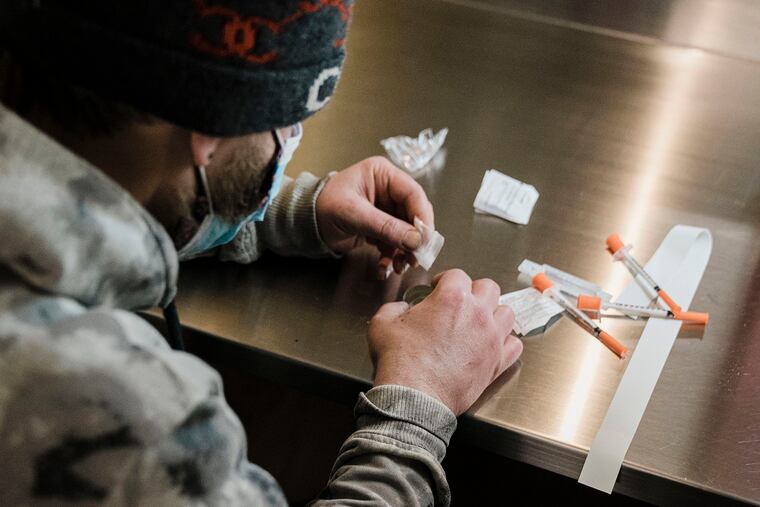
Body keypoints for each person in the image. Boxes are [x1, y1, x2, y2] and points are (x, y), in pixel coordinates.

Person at [0, 1, 523, 505]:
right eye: (288, 121)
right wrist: (415, 408)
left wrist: (287, 211)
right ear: (213, 129)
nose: (291, 137)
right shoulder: (115, 410)